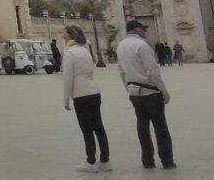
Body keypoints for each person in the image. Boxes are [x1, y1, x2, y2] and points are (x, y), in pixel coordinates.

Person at [117, 20, 175, 170]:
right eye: (143, 29)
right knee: (160, 127)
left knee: (142, 126)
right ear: (136, 30)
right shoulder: (142, 45)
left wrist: (128, 88)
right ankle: (167, 160)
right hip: (150, 92)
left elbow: (121, 71)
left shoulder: (121, 46)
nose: (145, 32)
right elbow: (153, 71)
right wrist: (163, 90)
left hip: (134, 92)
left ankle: (147, 160)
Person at [62, 25, 111, 173]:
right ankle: (105, 160)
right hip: (94, 91)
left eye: (64, 34)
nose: (62, 36)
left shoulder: (70, 53)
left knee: (86, 129)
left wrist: (66, 100)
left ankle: (91, 161)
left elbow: (67, 78)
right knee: (99, 127)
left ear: (70, 36)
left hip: (81, 94)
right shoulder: (85, 51)